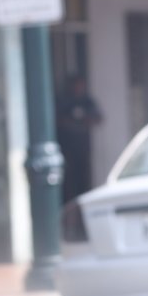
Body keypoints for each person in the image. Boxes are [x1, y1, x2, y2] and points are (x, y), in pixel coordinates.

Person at [56, 74, 102, 203]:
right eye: (75, 85)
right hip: (66, 148)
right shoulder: (65, 101)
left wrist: (83, 119)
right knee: (68, 180)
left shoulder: (86, 101)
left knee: (84, 177)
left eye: (80, 85)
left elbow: (98, 118)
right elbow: (58, 119)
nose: (78, 88)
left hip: (83, 147)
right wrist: (72, 120)